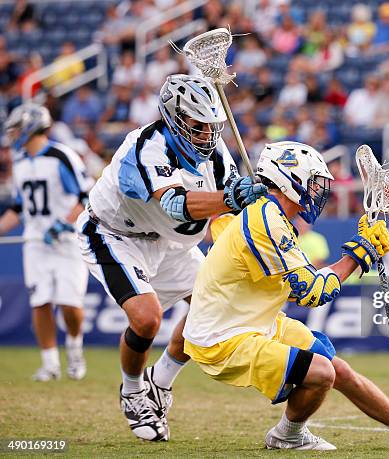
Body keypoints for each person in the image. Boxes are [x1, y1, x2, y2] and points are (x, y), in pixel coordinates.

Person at [183, 141, 389, 451]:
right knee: (322, 372)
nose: (318, 191)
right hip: (224, 337)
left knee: (340, 369)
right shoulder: (265, 221)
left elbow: (306, 278)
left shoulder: (271, 218)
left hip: (256, 320)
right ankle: (288, 436)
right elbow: (311, 292)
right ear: (288, 180)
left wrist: (359, 251)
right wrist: (360, 253)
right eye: (313, 182)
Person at [76, 74, 267, 441]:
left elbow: (226, 212)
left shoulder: (216, 155)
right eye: (198, 126)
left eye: (212, 126)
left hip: (171, 244)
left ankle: (160, 382)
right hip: (116, 234)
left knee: (214, 309)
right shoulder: (147, 146)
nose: (207, 135)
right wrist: (231, 198)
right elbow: (178, 205)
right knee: (147, 320)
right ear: (175, 119)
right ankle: (133, 391)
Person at [0, 103, 92, 381]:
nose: (14, 135)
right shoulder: (20, 162)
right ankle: (50, 364)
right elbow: (19, 208)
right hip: (35, 241)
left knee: (70, 304)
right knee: (39, 302)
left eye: (17, 129)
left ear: (31, 126)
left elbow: (86, 197)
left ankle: (74, 350)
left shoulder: (61, 156)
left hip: (66, 240)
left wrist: (63, 223)